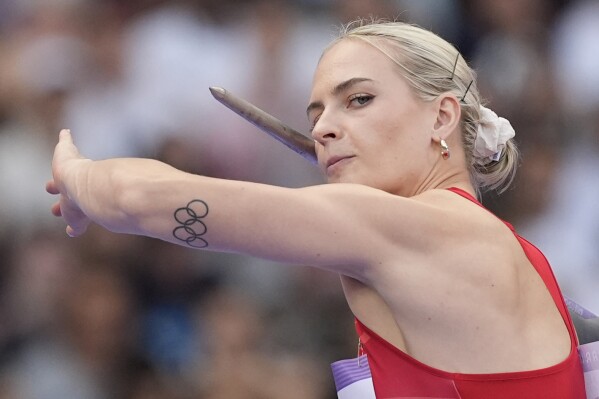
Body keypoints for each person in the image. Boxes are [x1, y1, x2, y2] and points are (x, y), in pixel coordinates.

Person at [46, 21, 586, 398]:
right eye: (316, 112)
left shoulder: (411, 226)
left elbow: (142, 201)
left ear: (443, 116)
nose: (324, 128)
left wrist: (76, 172)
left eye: (358, 100)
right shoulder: (521, 256)